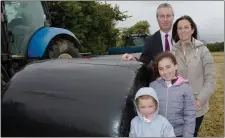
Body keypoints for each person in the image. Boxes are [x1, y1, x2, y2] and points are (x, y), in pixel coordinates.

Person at [171, 15, 216, 137]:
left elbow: (211, 79)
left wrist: (199, 100)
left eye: (186, 27)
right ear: (176, 31)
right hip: (178, 105)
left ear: (192, 30)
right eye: (179, 28)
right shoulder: (172, 52)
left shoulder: (203, 50)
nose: (183, 30)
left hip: (197, 106)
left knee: (192, 133)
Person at [149, 52, 196, 137]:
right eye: (161, 69)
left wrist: (188, 135)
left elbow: (189, 116)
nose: (165, 72)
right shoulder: (153, 86)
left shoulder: (185, 88)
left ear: (176, 66)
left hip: (178, 133)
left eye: (168, 67)